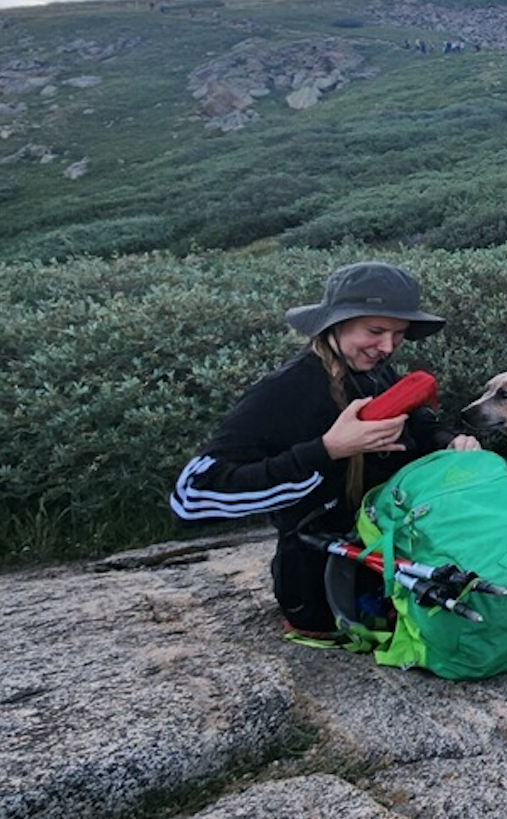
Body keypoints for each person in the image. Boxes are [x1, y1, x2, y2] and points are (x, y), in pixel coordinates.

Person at [170, 262, 481, 637]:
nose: (387, 347)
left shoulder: (374, 371)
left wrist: (449, 443)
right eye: (376, 331)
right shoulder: (287, 390)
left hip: (396, 558)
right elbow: (193, 496)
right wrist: (327, 450)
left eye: (399, 334)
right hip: (327, 592)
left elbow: (418, 422)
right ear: (335, 323)